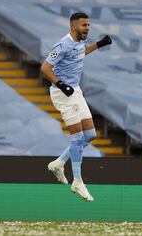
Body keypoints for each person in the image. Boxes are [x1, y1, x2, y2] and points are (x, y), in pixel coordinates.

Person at [40, 12, 112, 201]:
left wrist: (99, 44)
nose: (87, 28)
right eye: (84, 25)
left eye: (88, 25)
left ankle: (59, 163)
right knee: (77, 136)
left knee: (90, 135)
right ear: (73, 27)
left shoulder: (79, 42)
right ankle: (78, 181)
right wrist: (61, 84)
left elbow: (80, 53)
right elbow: (45, 68)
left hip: (75, 90)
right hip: (63, 93)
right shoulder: (63, 44)